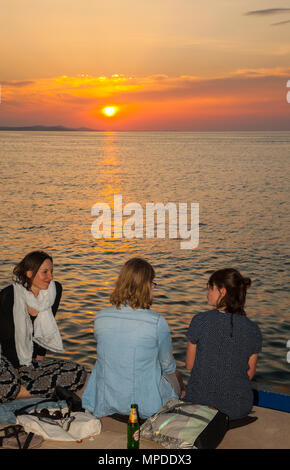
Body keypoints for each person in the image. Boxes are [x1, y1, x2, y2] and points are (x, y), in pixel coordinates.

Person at [82, 257, 183, 419]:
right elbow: (167, 365)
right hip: (143, 405)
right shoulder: (157, 322)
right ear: (146, 287)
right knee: (175, 375)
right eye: (152, 284)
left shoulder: (100, 317)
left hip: (108, 399)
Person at [0, 250, 87, 403]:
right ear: (29, 273)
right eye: (45, 272)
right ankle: (23, 389)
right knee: (7, 382)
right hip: (8, 360)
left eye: (52, 272)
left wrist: (38, 366)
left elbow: (45, 333)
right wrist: (15, 371)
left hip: (31, 363)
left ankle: (18, 392)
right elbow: (6, 338)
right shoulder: (8, 296)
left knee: (78, 372)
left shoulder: (53, 291)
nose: (51, 277)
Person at [185, 268, 262, 420]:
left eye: (210, 287)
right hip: (237, 409)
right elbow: (249, 374)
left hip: (199, 404)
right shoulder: (253, 329)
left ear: (223, 291)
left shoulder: (200, 320)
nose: (206, 291)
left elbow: (189, 365)